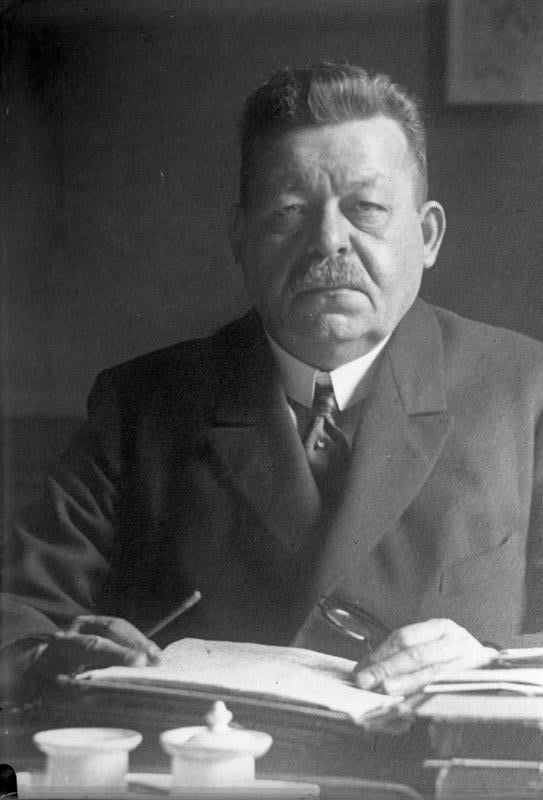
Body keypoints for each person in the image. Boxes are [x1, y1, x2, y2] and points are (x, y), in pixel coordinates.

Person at [2, 62, 543, 704]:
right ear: (242, 238)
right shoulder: (141, 405)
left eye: (366, 209)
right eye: (289, 212)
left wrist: (491, 664)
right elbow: (16, 620)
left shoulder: (525, 389)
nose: (328, 243)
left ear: (426, 236)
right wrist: (48, 657)